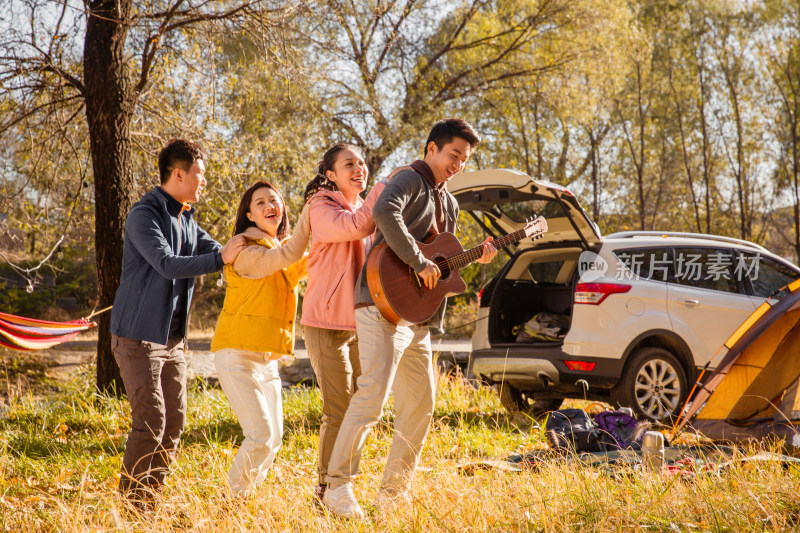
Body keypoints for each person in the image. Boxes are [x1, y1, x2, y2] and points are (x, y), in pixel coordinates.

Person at [322, 119, 497, 518]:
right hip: (380, 304)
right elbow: (385, 210)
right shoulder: (409, 178)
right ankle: (337, 487)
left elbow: (442, 263)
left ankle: (392, 494)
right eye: (454, 155)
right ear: (431, 148)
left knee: (421, 406)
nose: (458, 165)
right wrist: (418, 262)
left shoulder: (449, 203)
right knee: (372, 396)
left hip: (417, 318)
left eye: (465, 160)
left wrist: (476, 257)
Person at [110, 139, 246, 507]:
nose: (205, 182)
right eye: (200, 174)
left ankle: (150, 502)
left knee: (173, 425)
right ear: (179, 173)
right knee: (151, 423)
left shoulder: (186, 218)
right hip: (138, 338)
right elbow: (167, 263)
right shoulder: (144, 215)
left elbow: (217, 247)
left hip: (173, 342)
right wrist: (221, 258)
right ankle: (132, 509)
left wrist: (250, 248)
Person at [211, 181, 310, 498]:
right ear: (250, 214)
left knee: (274, 438)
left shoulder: (280, 252)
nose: (271, 205)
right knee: (260, 435)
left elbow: (314, 257)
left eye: (275, 200)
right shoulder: (244, 250)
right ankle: (231, 500)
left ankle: (244, 499)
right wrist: (313, 215)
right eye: (261, 202)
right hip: (236, 356)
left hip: (266, 361)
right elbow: (287, 256)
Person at [300, 143, 388, 502]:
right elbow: (353, 227)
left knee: (361, 406)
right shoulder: (321, 207)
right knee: (338, 408)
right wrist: (385, 187)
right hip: (324, 325)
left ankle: (342, 480)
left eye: (362, 163)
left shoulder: (363, 210)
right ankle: (326, 486)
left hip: (360, 325)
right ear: (331, 174)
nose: (360, 168)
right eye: (349, 163)